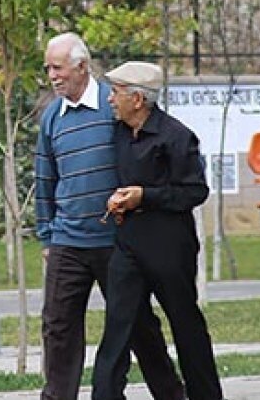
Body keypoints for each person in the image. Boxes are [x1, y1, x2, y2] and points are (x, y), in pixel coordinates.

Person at [36, 34, 186, 400]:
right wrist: (46, 235)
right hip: (67, 240)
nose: (52, 76)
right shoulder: (52, 117)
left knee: (138, 327)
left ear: (82, 67)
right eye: (48, 69)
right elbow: (45, 178)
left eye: (58, 68)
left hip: (115, 242)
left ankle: (171, 394)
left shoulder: (113, 107)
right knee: (58, 327)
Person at [91, 61, 225, 400]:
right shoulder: (119, 131)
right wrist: (121, 199)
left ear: (137, 99)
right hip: (128, 247)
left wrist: (144, 197)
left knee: (186, 326)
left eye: (116, 92)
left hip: (170, 248)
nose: (110, 99)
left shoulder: (177, 137)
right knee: (117, 328)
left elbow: (195, 191)